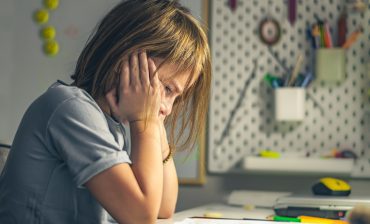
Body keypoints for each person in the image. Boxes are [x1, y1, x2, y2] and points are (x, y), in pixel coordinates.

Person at [0, 0, 211, 223]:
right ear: (128, 61)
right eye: (167, 89)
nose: (168, 107)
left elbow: (164, 207)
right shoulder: (70, 108)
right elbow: (141, 217)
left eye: (176, 97)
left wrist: (155, 122)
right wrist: (145, 122)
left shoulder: (111, 125)